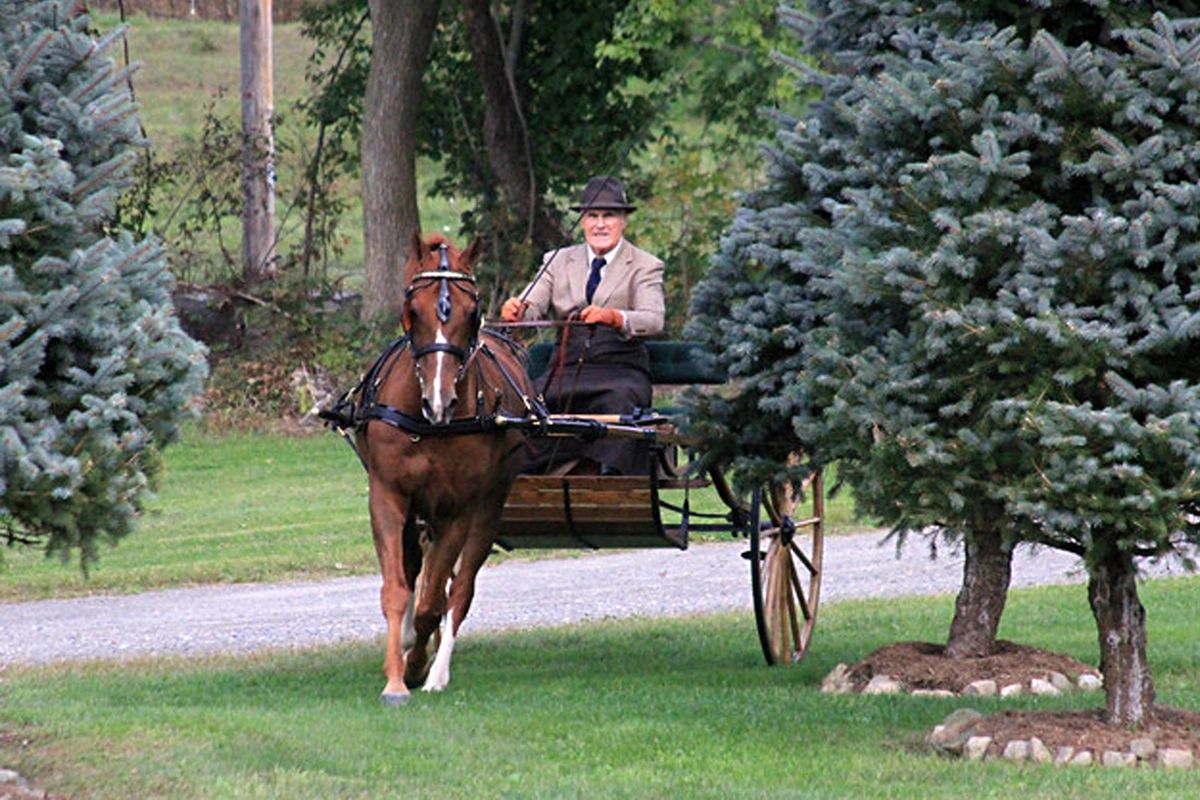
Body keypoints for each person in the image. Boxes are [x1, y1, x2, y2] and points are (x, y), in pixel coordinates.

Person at [501, 175, 665, 475]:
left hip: (620, 371)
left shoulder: (644, 265)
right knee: (523, 408)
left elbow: (654, 319)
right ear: (583, 220)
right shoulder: (558, 260)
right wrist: (518, 308)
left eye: (609, 216)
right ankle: (524, 486)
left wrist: (614, 317)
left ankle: (610, 484)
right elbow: (532, 303)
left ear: (623, 221)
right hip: (564, 371)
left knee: (621, 402)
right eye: (592, 216)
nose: (600, 224)